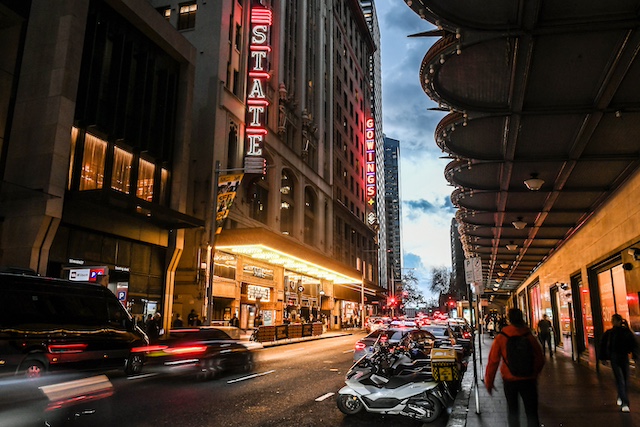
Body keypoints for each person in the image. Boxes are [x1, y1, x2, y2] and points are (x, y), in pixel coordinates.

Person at [485, 308, 545, 427]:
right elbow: (540, 358)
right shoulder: (528, 335)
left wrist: (489, 382)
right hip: (529, 379)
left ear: (509, 319)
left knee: (513, 410)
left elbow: (493, 361)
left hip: (509, 379)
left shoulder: (502, 337)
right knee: (531, 412)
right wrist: (534, 372)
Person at [599, 313, 639, 413]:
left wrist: (603, 358)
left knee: (622, 379)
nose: (612, 322)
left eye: (613, 320)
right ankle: (625, 402)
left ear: (617, 321)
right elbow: (634, 344)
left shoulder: (611, 333)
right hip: (622, 357)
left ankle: (621, 396)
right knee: (622, 379)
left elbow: (603, 345)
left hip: (616, 357)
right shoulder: (625, 332)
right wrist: (635, 356)